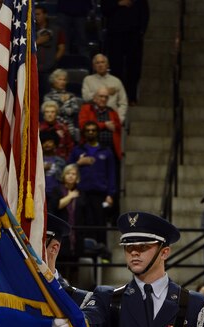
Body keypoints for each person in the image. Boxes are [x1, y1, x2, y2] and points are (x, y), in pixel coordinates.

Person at [69, 121, 117, 252]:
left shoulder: (106, 152)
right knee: (82, 222)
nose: (91, 132)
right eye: (88, 130)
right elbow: (68, 170)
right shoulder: (77, 150)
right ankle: (84, 249)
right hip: (80, 193)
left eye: (93, 130)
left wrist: (110, 194)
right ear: (84, 133)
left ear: (98, 133)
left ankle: (102, 252)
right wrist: (78, 163)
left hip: (100, 193)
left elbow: (112, 174)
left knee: (100, 222)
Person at [101, 0, 149, 102]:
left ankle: (131, 97)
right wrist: (118, 4)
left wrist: (141, 31)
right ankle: (117, 96)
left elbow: (144, 11)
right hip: (115, 33)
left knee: (133, 66)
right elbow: (104, 9)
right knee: (116, 65)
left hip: (133, 34)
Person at [82, 54, 130, 123]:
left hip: (112, 118)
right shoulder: (88, 80)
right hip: (93, 119)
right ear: (94, 66)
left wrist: (119, 119)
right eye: (97, 63)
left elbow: (123, 103)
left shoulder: (116, 81)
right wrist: (104, 91)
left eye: (102, 62)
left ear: (107, 65)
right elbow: (85, 98)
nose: (100, 65)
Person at [33, 6, 66, 92]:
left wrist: (53, 60)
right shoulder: (28, 30)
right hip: (32, 69)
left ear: (45, 15)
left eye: (38, 14)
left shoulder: (56, 29)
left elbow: (61, 48)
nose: (36, 16)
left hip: (49, 70)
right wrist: (38, 42)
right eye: (34, 14)